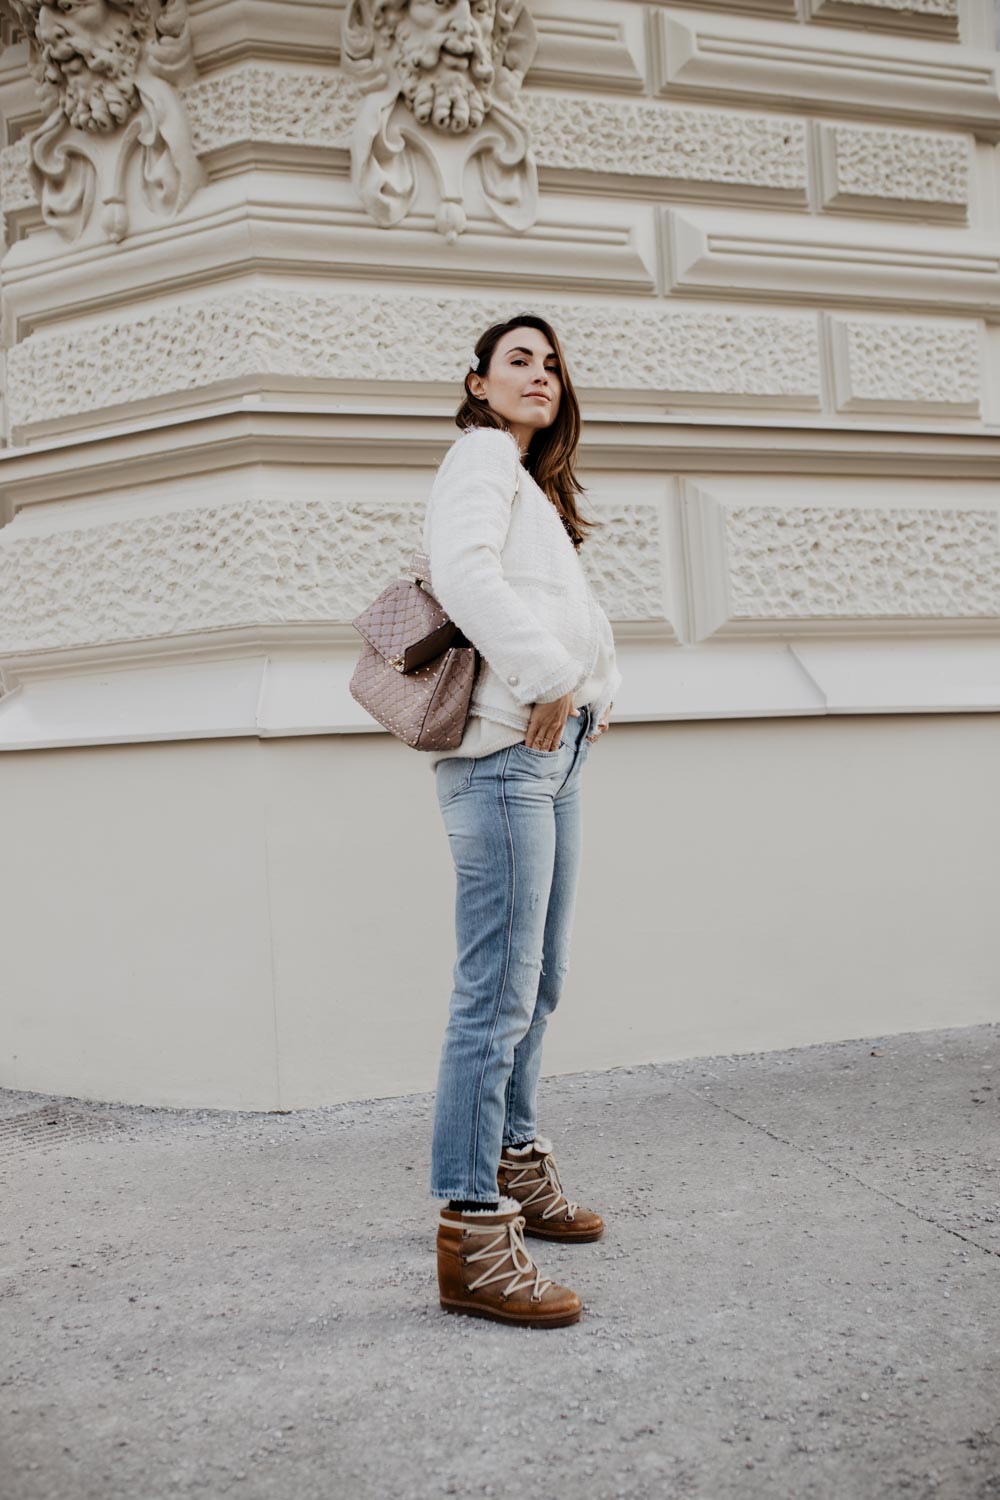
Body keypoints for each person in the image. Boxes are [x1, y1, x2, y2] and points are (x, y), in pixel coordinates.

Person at [421, 312, 621, 1328]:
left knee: (538, 982)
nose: (539, 376)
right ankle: (472, 1234)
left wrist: (596, 690)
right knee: (493, 996)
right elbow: (462, 576)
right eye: (518, 361)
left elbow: (569, 611)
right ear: (479, 382)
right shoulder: (477, 456)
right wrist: (549, 677)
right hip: (503, 761)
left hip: (555, 755)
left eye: (550, 364)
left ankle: (516, 1155)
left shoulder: (531, 485)